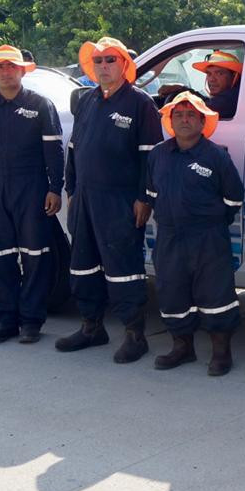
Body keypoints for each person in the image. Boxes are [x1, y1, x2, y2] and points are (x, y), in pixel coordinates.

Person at [55, 36, 162, 363]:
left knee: (123, 268)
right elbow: (73, 150)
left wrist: (145, 198)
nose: (103, 66)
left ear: (124, 64)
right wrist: (71, 190)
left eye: (110, 60)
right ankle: (92, 327)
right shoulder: (87, 101)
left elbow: (150, 157)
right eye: (98, 61)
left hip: (120, 201)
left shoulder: (140, 104)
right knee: (83, 265)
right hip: (85, 199)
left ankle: (134, 334)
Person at [0, 45, 64, 344]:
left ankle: (31, 321)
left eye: (11, 67)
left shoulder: (40, 105)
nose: (6, 72)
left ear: (22, 70)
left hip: (31, 187)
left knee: (36, 254)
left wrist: (54, 188)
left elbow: (54, 152)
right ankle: (5, 320)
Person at [145, 92, 244, 375]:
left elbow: (234, 197)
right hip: (169, 237)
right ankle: (182, 347)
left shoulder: (216, 156)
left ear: (203, 122)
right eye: (178, 115)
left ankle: (221, 353)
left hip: (208, 237)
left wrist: (211, 221)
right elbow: (151, 192)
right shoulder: (158, 155)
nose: (184, 120)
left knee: (215, 294)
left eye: (191, 115)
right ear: (170, 121)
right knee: (172, 291)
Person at [158, 50, 242, 118]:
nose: (212, 79)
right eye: (209, 74)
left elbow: (201, 108)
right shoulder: (235, 93)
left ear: (234, 76)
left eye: (219, 73)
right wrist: (182, 88)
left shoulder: (231, 98)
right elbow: (206, 101)